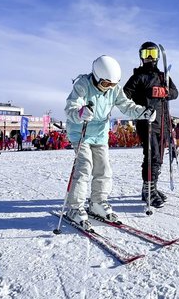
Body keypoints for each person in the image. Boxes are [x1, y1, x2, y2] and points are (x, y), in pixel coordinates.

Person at [64, 55, 156, 227]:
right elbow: (71, 106)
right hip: (80, 132)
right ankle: (74, 207)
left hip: (99, 134)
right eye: (105, 84)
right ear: (96, 77)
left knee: (104, 168)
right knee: (84, 166)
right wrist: (79, 113)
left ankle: (98, 202)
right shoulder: (83, 85)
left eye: (112, 84)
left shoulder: (114, 89)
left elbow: (126, 105)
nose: (108, 88)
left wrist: (143, 112)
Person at [123, 41, 179, 209]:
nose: (148, 57)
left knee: (159, 157)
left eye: (152, 54)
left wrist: (166, 92)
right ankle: (148, 191)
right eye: (145, 53)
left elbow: (175, 93)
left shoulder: (163, 77)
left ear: (156, 57)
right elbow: (124, 95)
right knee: (152, 156)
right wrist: (139, 108)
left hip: (162, 123)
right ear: (140, 57)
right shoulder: (137, 77)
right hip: (146, 122)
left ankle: (150, 187)